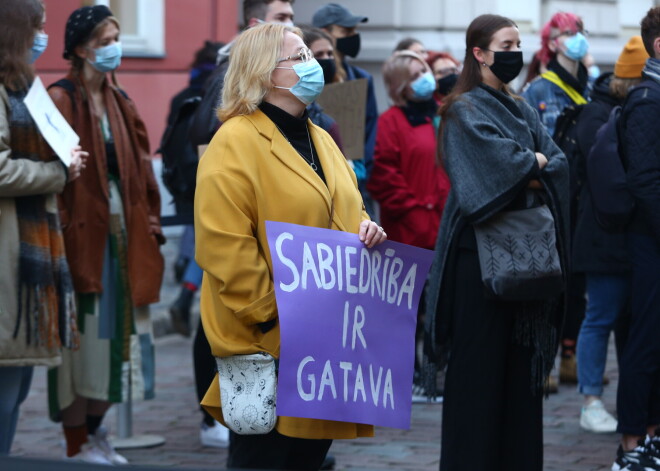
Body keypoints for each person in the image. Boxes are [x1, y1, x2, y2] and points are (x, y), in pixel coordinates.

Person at [194, 23, 386, 470]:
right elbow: (225, 246)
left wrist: (365, 229)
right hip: (265, 341)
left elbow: (346, 207)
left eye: (309, 55)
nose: (312, 65)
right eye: (298, 57)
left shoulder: (320, 137)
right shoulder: (234, 141)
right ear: (264, 73)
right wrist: (273, 313)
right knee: (263, 457)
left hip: (322, 337)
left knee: (308, 457)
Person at [424, 14, 569, 470]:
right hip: (477, 267)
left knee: (520, 383)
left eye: (518, 43)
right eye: (506, 43)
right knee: (477, 381)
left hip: (530, 263)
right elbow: (491, 177)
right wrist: (532, 165)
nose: (515, 52)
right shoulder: (463, 109)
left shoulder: (521, 106)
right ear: (480, 53)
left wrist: (531, 164)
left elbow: (559, 162)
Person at [47, 5, 165, 464]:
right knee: (85, 344)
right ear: (80, 49)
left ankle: (97, 433)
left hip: (125, 235)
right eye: (105, 39)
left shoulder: (121, 101)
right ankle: (76, 441)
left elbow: (141, 172)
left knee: (123, 339)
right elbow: (54, 174)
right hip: (82, 239)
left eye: (117, 36)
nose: (114, 47)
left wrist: (152, 224)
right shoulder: (60, 98)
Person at [0, 0, 86, 455]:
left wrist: (64, 158)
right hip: (9, 255)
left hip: (29, 251)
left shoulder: (24, 85)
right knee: (4, 391)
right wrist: (59, 172)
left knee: (14, 390)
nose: (43, 38)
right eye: (38, 27)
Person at [572, 36, 648, 434]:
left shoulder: (612, 108)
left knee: (628, 322)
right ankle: (590, 399)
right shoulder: (599, 114)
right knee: (600, 317)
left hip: (622, 237)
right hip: (604, 238)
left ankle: (624, 401)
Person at [367, 51, 450, 402]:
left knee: (438, 308)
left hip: (443, 227)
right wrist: (415, 210)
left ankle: (431, 376)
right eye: (416, 73)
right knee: (407, 312)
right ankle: (408, 376)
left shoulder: (442, 115)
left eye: (425, 71)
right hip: (408, 232)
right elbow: (383, 175)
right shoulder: (392, 122)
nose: (425, 77)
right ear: (400, 83)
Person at [161, 40, 230, 449]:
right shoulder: (210, 107)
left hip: (206, 219)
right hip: (207, 217)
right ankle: (216, 415)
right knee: (214, 315)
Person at [523, 11, 591, 386]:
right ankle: (545, 358)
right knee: (550, 277)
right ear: (552, 42)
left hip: (586, 199)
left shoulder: (593, 84)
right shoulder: (537, 90)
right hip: (551, 197)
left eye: (578, 30)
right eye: (567, 32)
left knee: (578, 281)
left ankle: (570, 353)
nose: (575, 37)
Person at [613, 7, 660, 470]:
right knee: (645, 342)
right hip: (650, 243)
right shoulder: (648, 99)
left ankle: (652, 434)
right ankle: (631, 445)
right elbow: (646, 180)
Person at [189, 0, 296, 148]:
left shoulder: (279, 68)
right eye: (281, 18)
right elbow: (204, 138)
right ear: (255, 24)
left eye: (291, 18)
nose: (289, 25)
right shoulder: (228, 74)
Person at [312, 3, 377, 217]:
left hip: (356, 185)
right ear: (325, 32)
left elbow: (370, 130)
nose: (353, 36)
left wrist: (360, 174)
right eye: (346, 31)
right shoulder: (305, 79)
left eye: (354, 31)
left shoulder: (361, 78)